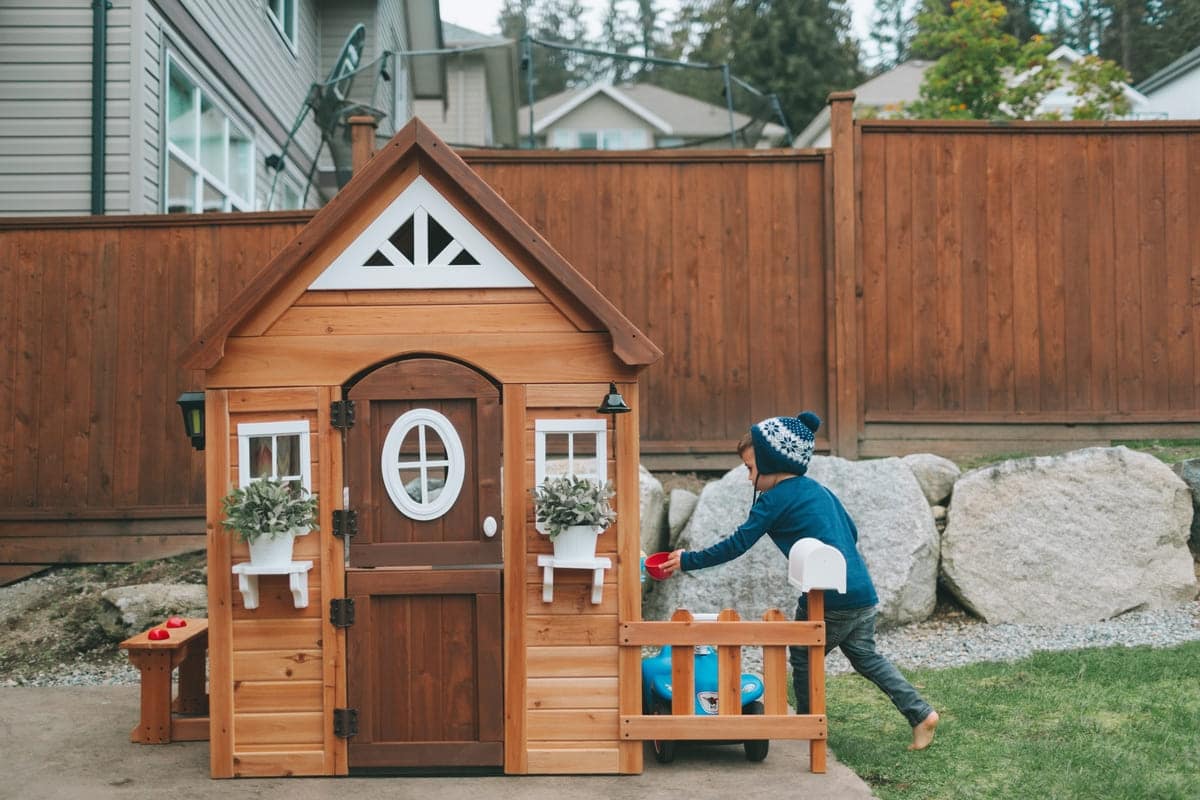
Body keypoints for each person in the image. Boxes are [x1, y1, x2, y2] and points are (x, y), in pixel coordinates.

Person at [660, 411, 939, 750]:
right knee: (866, 657)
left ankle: (809, 723)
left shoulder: (774, 500)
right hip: (862, 591)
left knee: (804, 656)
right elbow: (851, 530)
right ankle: (921, 713)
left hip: (829, 597)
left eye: (750, 468)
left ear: (771, 461)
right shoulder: (818, 490)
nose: (748, 479)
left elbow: (738, 543)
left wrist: (688, 559)